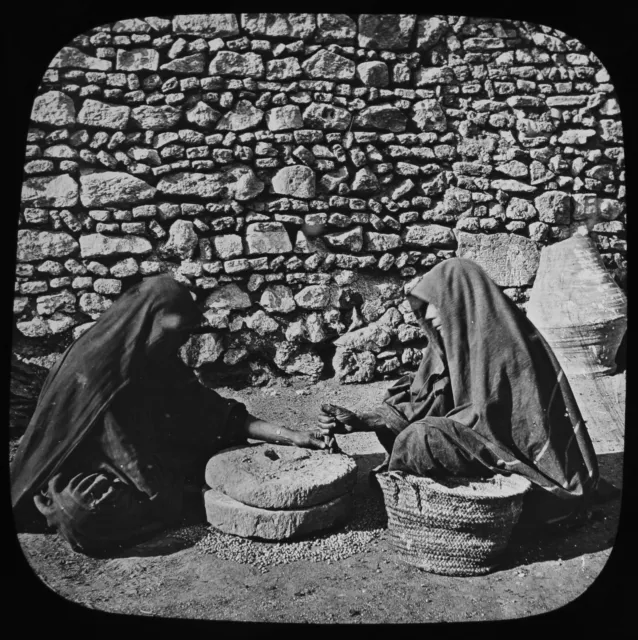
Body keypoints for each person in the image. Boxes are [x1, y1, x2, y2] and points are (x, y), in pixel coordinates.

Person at [11, 275, 333, 556]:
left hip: (140, 461)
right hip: (84, 470)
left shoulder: (156, 356)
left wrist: (291, 435)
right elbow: (131, 461)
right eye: (175, 333)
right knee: (80, 514)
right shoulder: (98, 370)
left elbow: (213, 412)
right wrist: (172, 495)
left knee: (189, 460)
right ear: (147, 320)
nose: (180, 345)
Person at [319, 258, 616, 527]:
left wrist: (434, 432)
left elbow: (496, 423)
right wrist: (363, 420)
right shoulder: (452, 343)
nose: (431, 317)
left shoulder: (506, 346)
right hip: (482, 438)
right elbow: (423, 399)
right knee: (415, 424)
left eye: (437, 305)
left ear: (462, 300)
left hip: (521, 456)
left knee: (421, 438)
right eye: (426, 312)